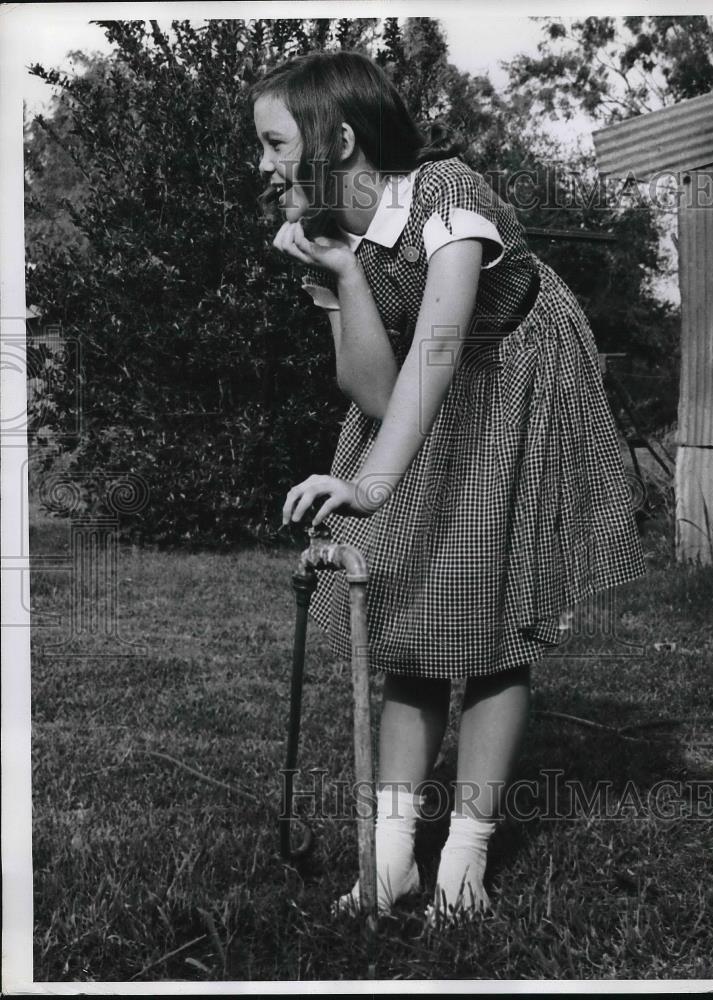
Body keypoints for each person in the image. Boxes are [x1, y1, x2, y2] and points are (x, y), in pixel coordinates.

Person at [250, 50, 645, 924]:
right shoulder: (330, 227)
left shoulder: (448, 196)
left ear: (338, 137)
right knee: (411, 615)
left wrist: (372, 485)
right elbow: (378, 391)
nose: (265, 165)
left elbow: (438, 347)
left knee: (494, 622)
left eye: (275, 143)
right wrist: (346, 274)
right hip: (428, 395)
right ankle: (388, 860)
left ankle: (464, 863)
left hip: (514, 375)